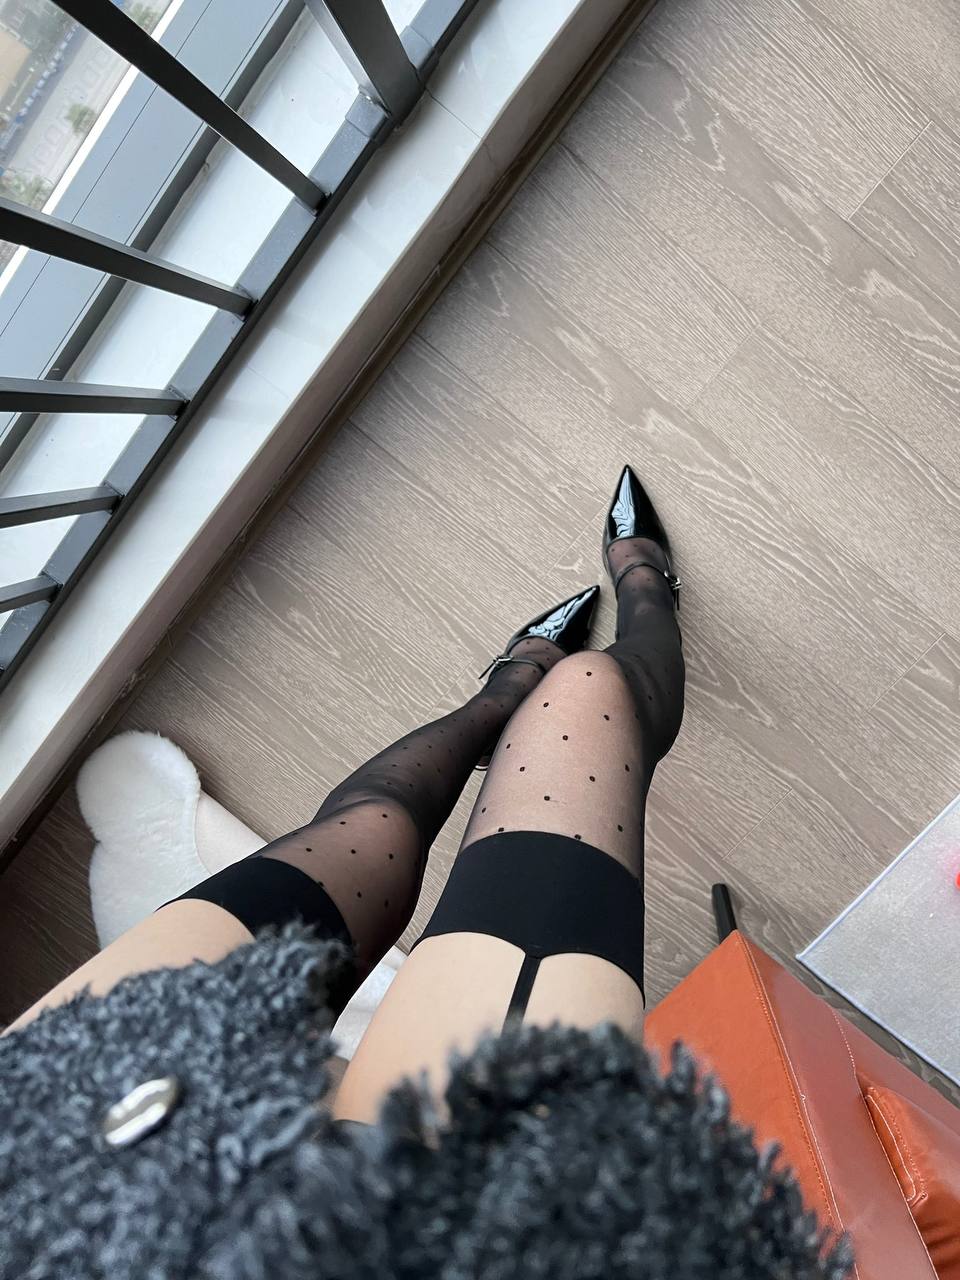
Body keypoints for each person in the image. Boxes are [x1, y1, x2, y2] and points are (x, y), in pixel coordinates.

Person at [0, 467, 852, 1279]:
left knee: (369, 827)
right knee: (589, 693)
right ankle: (643, 590)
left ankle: (503, 691)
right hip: (402, 1244)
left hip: (51, 1140)